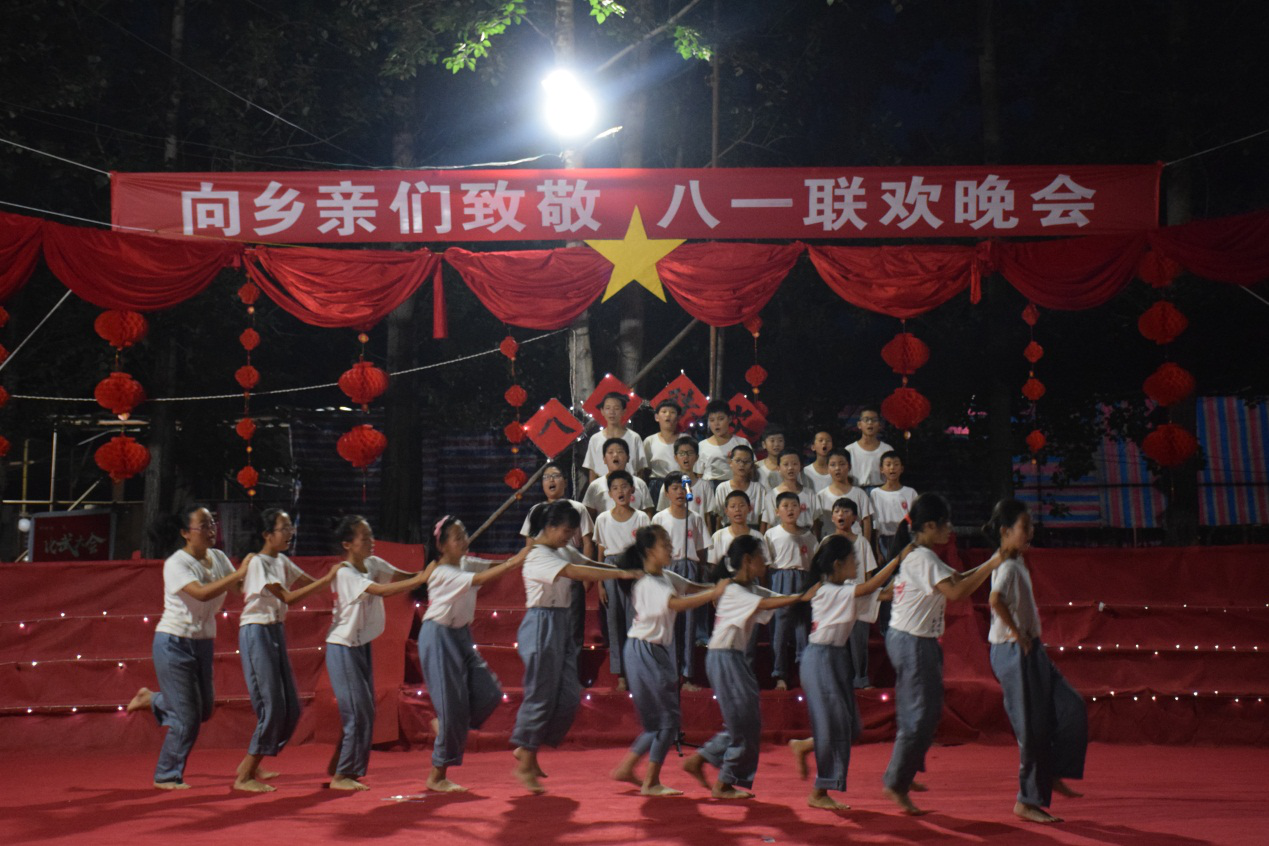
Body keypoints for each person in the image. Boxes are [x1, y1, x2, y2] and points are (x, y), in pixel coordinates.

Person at [881, 494, 1006, 815]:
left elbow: (957, 580)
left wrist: (993, 561)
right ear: (930, 526)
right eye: (946, 523)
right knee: (918, 715)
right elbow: (957, 591)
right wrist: (993, 563)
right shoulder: (921, 558)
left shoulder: (925, 555)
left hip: (917, 641)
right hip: (911, 642)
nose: (950, 529)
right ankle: (896, 782)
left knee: (929, 710)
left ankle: (904, 774)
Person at [511, 501, 641, 794]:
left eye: (572, 532)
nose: (568, 537)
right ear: (550, 527)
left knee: (569, 694)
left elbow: (587, 563)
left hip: (561, 623)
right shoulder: (538, 555)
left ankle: (527, 748)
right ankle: (526, 760)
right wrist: (620, 575)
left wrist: (621, 569)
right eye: (565, 531)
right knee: (542, 694)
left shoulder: (561, 549)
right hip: (540, 623)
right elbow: (574, 571)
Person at [128, 505, 249, 790]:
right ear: (185, 533)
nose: (211, 530)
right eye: (203, 526)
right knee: (187, 717)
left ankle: (153, 700)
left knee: (205, 710)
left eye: (212, 524)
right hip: (173, 642)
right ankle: (167, 774)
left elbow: (238, 587)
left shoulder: (218, 558)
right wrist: (239, 572)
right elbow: (203, 593)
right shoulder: (176, 564)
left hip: (203, 642)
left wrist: (259, 570)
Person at [984, 499, 1087, 824]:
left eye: (1030, 526)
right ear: (1005, 531)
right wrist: (1018, 633)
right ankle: (1027, 801)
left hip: (1031, 649)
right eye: (1024, 527)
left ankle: (1052, 770)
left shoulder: (1015, 561)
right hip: (1013, 651)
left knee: (1071, 707)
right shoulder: (1007, 565)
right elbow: (995, 600)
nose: (1031, 532)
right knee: (1031, 728)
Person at [681, 535, 806, 799]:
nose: (766, 562)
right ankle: (722, 779)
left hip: (732, 658)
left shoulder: (748, 587)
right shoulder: (734, 589)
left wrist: (802, 596)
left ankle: (709, 764)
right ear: (748, 560)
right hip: (724, 657)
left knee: (748, 721)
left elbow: (774, 597)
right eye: (761, 556)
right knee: (743, 723)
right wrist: (802, 596)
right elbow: (768, 603)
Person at [789, 534, 904, 810]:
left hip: (837, 658)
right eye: (853, 558)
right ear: (838, 564)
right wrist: (898, 559)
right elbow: (871, 587)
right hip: (819, 659)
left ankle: (806, 746)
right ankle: (820, 791)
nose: (857, 562)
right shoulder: (826, 589)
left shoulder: (846, 587)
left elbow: (881, 594)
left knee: (851, 727)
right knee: (835, 724)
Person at [610, 525, 726, 796]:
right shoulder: (649, 583)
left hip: (652, 651)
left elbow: (690, 586)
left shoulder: (663, 576)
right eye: (665, 544)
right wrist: (713, 593)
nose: (671, 548)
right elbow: (676, 603)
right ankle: (650, 781)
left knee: (660, 722)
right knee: (667, 720)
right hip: (646, 651)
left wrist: (718, 587)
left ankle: (629, 768)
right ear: (650, 551)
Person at [420, 516, 530, 793]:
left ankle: (447, 724)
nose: (464, 540)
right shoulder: (442, 571)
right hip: (438, 636)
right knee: (452, 704)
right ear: (442, 545)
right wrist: (516, 561)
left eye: (464, 533)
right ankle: (437, 775)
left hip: (461, 636)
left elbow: (490, 568)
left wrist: (521, 556)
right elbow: (481, 578)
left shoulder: (464, 563)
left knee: (490, 692)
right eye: (457, 537)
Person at [234, 508, 340, 793]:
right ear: (267, 535)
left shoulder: (281, 561)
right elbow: (290, 597)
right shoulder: (258, 563)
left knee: (291, 707)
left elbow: (307, 582)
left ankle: (256, 760)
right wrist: (328, 577)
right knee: (273, 705)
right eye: (284, 528)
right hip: (256, 631)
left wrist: (341, 587)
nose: (290, 533)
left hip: (274, 630)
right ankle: (245, 774)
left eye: (290, 527)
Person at [325, 515, 428, 791]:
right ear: (348, 544)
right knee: (356, 711)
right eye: (365, 537)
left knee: (366, 710)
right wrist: (422, 577)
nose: (372, 542)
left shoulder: (371, 564)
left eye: (371, 536)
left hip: (361, 645)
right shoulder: (346, 572)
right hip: (342, 646)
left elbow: (401, 576)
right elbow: (381, 590)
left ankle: (345, 767)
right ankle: (341, 776)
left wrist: (426, 573)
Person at [521, 462, 595, 653]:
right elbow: (529, 546)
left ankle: (572, 674)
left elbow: (587, 542)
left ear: (565, 482)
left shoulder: (577, 508)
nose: (551, 480)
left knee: (574, 626)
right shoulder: (535, 511)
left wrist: (586, 577)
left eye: (555, 476)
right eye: (546, 477)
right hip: (544, 576)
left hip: (571, 572)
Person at [593, 470, 652, 691]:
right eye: (615, 487)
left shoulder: (642, 518)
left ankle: (637, 669)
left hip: (635, 570)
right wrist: (600, 583)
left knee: (635, 622)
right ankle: (620, 675)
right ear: (609, 492)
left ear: (632, 490)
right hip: (610, 570)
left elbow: (646, 551)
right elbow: (600, 553)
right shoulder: (603, 519)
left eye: (624, 487)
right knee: (614, 622)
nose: (620, 491)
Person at [652, 473, 710, 689]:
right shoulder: (659, 518)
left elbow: (702, 549)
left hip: (690, 567)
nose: (679, 492)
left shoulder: (694, 518)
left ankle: (686, 675)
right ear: (667, 493)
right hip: (668, 568)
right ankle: (669, 672)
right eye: (674, 488)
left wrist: (699, 572)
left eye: (683, 488)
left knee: (689, 623)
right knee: (668, 622)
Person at [820, 498, 880, 689]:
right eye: (837, 511)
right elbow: (821, 572)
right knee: (835, 640)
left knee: (858, 641)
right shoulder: (826, 542)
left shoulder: (862, 542)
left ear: (854, 518)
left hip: (858, 597)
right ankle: (837, 680)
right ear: (832, 516)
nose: (841, 515)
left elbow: (868, 572)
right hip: (835, 598)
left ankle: (860, 678)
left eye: (846, 512)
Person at [765, 491, 815, 689]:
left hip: (803, 580)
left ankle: (804, 672)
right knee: (780, 628)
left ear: (801, 508)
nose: (790, 509)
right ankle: (780, 674)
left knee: (803, 628)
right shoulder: (771, 534)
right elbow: (767, 564)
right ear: (777, 511)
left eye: (794, 505)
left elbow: (813, 563)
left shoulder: (809, 535)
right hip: (780, 579)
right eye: (785, 506)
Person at [583, 438, 654, 517]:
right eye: (610, 452)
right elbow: (588, 515)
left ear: (628, 458)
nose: (615, 455)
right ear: (604, 459)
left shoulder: (639, 484)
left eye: (620, 452)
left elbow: (648, 511)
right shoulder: (595, 485)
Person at [583, 392, 645, 484]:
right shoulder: (595, 439)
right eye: (608, 408)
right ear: (602, 411)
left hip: (627, 487)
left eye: (616, 408)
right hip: (603, 487)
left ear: (624, 411)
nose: (612, 412)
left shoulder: (634, 438)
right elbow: (592, 471)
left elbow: (640, 470)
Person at [814, 449, 874, 542]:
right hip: (830, 544)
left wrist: (866, 544)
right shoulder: (821, 496)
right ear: (828, 468)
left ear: (849, 467)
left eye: (842, 464)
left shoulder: (859, 494)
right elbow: (817, 524)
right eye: (833, 465)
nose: (837, 468)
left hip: (854, 544)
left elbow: (866, 521)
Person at [709, 444, 771, 533]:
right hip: (728, 531)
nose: (742, 464)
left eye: (746, 461)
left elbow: (762, 519)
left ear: (752, 465)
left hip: (752, 532)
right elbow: (719, 517)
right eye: (738, 461)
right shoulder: (722, 488)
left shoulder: (759, 489)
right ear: (730, 462)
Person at [656, 435, 714, 528]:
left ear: (697, 457)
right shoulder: (668, 485)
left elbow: (707, 517)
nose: (686, 457)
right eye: (681, 453)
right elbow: (662, 512)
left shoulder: (704, 485)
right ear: (675, 457)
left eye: (690, 453)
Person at [871, 451, 917, 562]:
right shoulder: (875, 493)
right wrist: (877, 551)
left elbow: (916, 521)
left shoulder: (910, 492)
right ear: (881, 469)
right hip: (885, 540)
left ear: (901, 468)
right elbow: (875, 525)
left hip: (906, 539)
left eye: (896, 464)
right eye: (888, 464)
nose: (892, 468)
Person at [764, 449, 819, 534]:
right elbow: (769, 524)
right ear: (779, 468)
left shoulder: (810, 494)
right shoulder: (771, 496)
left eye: (794, 464)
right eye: (786, 464)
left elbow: (816, 524)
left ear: (800, 467)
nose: (790, 468)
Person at [697, 399, 749, 483]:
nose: (716, 423)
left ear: (729, 419)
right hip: (710, 489)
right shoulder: (702, 445)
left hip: (735, 488)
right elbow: (699, 473)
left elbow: (751, 468)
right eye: (712, 420)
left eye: (721, 419)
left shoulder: (742, 443)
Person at [845, 406, 894, 489]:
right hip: (856, 490)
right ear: (859, 424)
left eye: (874, 420)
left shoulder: (887, 449)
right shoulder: (849, 450)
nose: (870, 423)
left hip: (881, 491)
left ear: (879, 425)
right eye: (866, 419)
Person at [643, 400, 682, 497]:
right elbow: (645, 469)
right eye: (664, 412)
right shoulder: (650, 441)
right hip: (657, 485)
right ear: (656, 417)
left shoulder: (684, 439)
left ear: (678, 418)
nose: (668, 415)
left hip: (680, 484)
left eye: (672, 412)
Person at [754, 425, 809, 490]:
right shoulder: (756, 467)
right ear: (764, 444)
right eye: (772, 441)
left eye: (780, 440)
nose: (776, 444)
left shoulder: (793, 466)